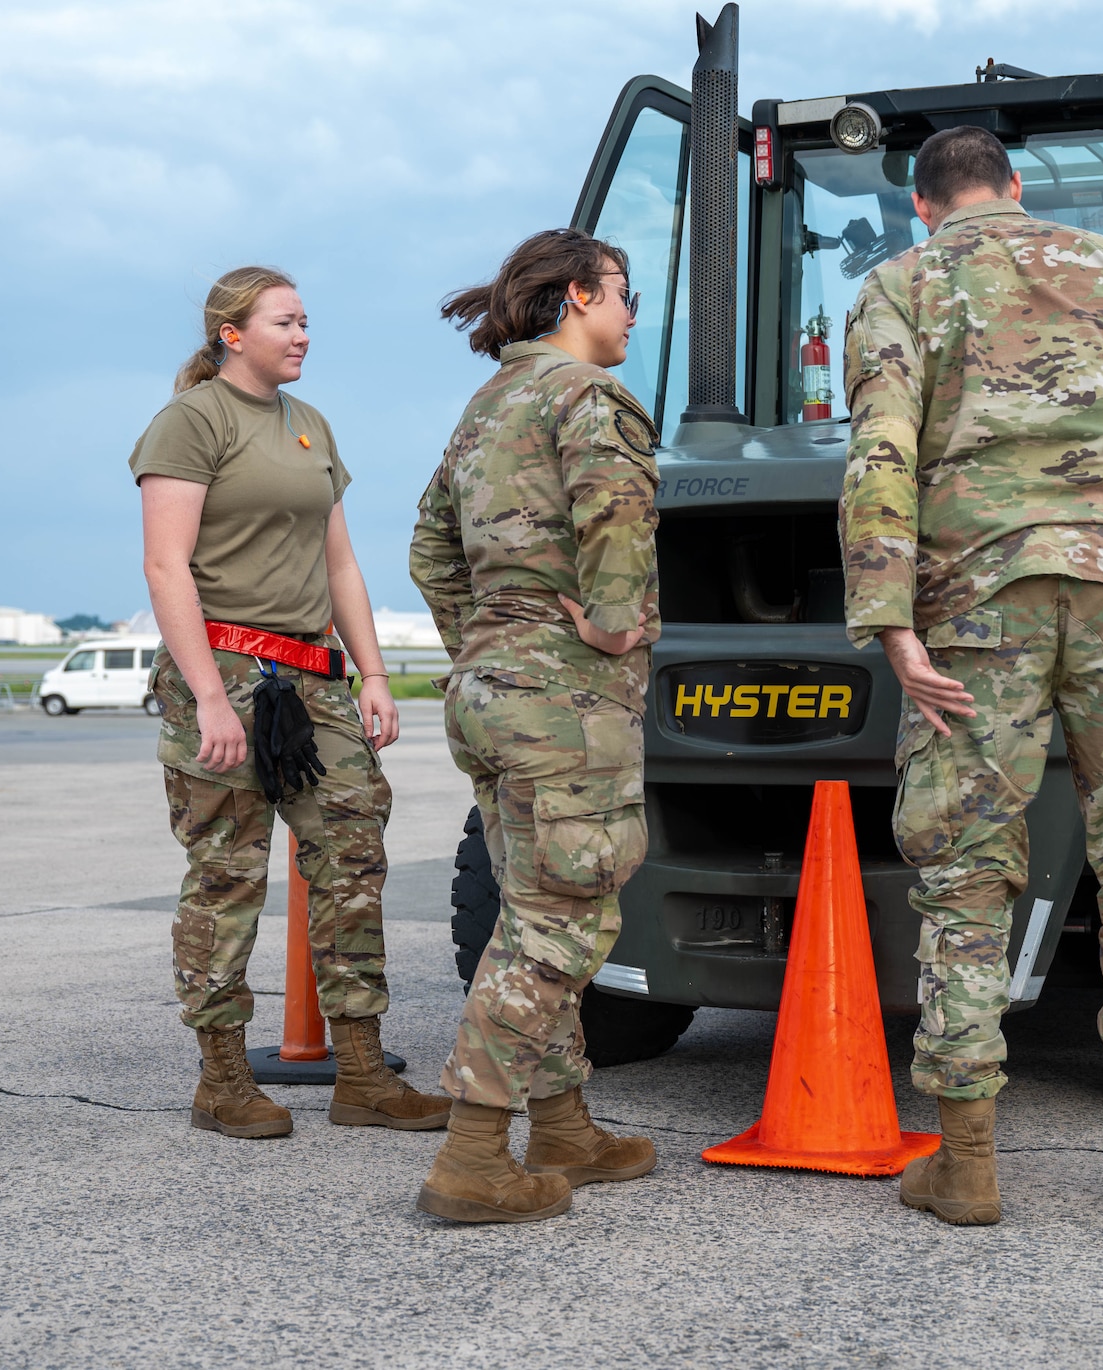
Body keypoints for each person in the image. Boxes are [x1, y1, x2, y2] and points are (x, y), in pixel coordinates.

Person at [839, 127, 1103, 1224]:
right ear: (1014, 189)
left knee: (964, 877)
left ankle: (965, 1163)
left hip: (975, 594)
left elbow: (879, 449)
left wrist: (888, 621)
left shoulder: (898, 282)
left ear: (923, 206)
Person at [133, 266, 450, 1140]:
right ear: (232, 334)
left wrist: (374, 675)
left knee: (353, 857)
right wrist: (209, 699)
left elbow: (339, 563)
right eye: (285, 321)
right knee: (227, 875)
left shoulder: (310, 426)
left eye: (307, 320)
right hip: (226, 669)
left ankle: (360, 1073)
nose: (303, 334)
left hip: (313, 678)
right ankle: (223, 1080)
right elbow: (167, 568)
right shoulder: (191, 422)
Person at [409, 229, 660, 1224]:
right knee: (563, 921)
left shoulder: (486, 408)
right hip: (563, 699)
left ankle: (561, 1127)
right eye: (623, 294)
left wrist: (485, 638)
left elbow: (431, 546)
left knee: (530, 908)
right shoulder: (585, 399)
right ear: (576, 295)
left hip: (488, 688)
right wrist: (605, 624)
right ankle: (474, 1155)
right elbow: (617, 524)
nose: (631, 313)